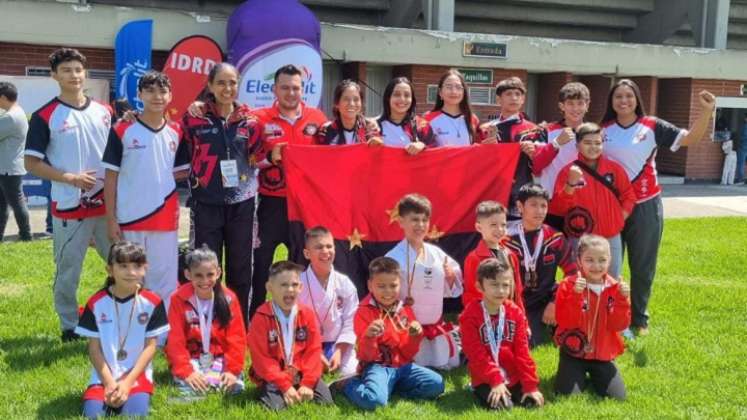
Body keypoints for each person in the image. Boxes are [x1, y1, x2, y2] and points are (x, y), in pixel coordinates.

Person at [600, 79, 715, 336]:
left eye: (629, 96)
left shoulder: (652, 126)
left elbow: (691, 139)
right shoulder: (603, 129)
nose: (624, 101)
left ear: (637, 99)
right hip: (611, 206)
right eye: (618, 96)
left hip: (645, 205)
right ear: (611, 101)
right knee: (608, 265)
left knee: (642, 265)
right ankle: (610, 316)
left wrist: (706, 111)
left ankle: (639, 319)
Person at [24, 48, 113, 342]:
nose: (73, 75)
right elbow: (31, 163)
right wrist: (70, 178)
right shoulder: (44, 115)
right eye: (66, 71)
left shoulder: (105, 111)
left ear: (85, 73)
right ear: (54, 76)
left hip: (108, 206)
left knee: (120, 261)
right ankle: (69, 325)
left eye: (77, 70)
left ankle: (115, 312)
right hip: (69, 205)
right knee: (68, 271)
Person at [182, 62, 262, 325]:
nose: (228, 89)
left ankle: (238, 323)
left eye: (232, 83)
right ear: (210, 86)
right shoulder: (193, 118)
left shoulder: (252, 121)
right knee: (206, 266)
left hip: (242, 202)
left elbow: (261, 154)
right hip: (206, 202)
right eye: (221, 83)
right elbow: (168, 135)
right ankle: (208, 319)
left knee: (241, 267)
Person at [102, 71, 191, 308]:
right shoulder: (122, 129)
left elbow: (181, 173)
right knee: (130, 279)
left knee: (164, 281)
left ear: (170, 95)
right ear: (139, 94)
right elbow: (110, 177)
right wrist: (111, 219)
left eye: (162, 91)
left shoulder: (178, 131)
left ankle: (160, 335)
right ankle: (132, 328)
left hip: (165, 219)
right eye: (150, 90)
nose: (157, 96)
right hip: (130, 217)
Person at [250, 64, 328, 318]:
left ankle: (301, 313)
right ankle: (257, 315)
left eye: (296, 88)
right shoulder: (259, 119)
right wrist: (270, 158)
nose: (290, 93)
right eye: (284, 87)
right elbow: (249, 160)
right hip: (270, 204)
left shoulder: (317, 118)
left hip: (305, 206)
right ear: (274, 89)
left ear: (303, 89)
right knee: (261, 262)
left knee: (301, 262)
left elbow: (333, 155)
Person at [74, 241, 169, 418]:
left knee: (135, 415)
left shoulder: (153, 302)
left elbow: (150, 347)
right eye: (123, 266)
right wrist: (109, 383)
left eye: (137, 266)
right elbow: (94, 349)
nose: (131, 272)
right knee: (93, 416)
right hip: (103, 376)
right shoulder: (96, 303)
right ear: (110, 269)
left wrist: (127, 383)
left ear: (145, 268)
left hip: (136, 375)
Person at [336, 256, 444, 410]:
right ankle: (348, 385)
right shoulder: (363, 312)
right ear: (370, 286)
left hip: (403, 366)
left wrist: (416, 336)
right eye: (381, 286)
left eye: (393, 286)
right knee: (375, 402)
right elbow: (366, 357)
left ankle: (392, 388)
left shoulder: (404, 309)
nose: (388, 292)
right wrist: (368, 336)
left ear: (400, 285)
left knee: (436, 384)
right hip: (377, 367)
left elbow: (408, 353)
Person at [385, 193, 462, 370]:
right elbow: (386, 296)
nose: (420, 225)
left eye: (424, 220)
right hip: (407, 325)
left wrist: (450, 277)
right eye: (414, 220)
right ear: (401, 222)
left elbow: (454, 281)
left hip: (434, 322)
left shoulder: (436, 253)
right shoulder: (392, 258)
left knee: (449, 363)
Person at [551, 122, 636, 278]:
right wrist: (570, 184)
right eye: (588, 143)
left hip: (611, 235)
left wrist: (620, 217)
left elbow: (629, 196)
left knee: (611, 279)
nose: (593, 147)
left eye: (598, 143)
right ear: (577, 145)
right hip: (580, 237)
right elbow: (558, 208)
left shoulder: (614, 169)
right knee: (579, 280)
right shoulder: (567, 172)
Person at [460, 257, 544, 410]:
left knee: (532, 404)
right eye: (494, 285)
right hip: (485, 377)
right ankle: (476, 388)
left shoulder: (515, 312)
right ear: (479, 286)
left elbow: (522, 351)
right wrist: (495, 380)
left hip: (513, 375)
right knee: (502, 407)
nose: (501, 291)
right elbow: (476, 355)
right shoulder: (469, 317)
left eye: (505, 285)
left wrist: (530, 385)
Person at [247, 261, 333, 410]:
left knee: (325, 403)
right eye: (283, 285)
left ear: (301, 287)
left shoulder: (307, 315)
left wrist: (308, 383)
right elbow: (262, 359)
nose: (290, 290)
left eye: (294, 285)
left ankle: (300, 388)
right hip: (273, 376)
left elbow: (313, 351)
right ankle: (270, 392)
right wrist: (285, 386)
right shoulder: (261, 317)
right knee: (276, 408)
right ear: (270, 287)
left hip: (301, 373)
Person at [554, 234, 631, 400]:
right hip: (574, 353)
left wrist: (622, 300)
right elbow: (566, 321)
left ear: (609, 260)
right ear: (579, 261)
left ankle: (595, 376)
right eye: (589, 260)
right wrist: (575, 295)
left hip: (602, 354)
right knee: (568, 396)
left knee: (618, 398)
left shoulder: (615, 288)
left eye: (602, 260)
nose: (596, 266)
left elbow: (618, 325)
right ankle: (574, 374)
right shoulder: (568, 285)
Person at [165, 245, 247, 398]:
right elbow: (175, 340)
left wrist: (232, 370)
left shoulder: (229, 298)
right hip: (192, 357)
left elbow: (237, 338)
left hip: (220, 357)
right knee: (190, 384)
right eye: (198, 275)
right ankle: (199, 382)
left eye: (210, 275)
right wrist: (186, 372)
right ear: (188, 274)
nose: (205, 281)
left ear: (218, 273)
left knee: (233, 387)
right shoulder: (178, 298)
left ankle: (215, 381)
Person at [505, 183, 576, 347]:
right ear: (520, 206)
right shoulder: (506, 239)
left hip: (547, 297)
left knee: (576, 329)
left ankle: (556, 322)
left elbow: (573, 272)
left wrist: (555, 301)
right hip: (517, 302)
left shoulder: (556, 238)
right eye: (533, 205)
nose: (539, 210)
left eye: (543, 205)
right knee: (523, 342)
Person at [478, 76, 544, 222]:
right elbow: (475, 164)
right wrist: (484, 150)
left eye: (517, 94)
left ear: (523, 99)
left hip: (521, 190)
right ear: (498, 99)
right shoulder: (484, 129)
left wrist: (533, 154)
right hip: (492, 189)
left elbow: (541, 166)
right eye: (508, 94)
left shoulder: (533, 130)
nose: (513, 98)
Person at [298, 226, 359, 376]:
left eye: (329, 246)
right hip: (305, 344)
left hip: (336, 344)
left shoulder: (344, 283)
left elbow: (351, 321)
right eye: (318, 247)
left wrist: (339, 352)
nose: (325, 251)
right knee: (299, 371)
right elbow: (292, 323)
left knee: (351, 372)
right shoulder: (298, 284)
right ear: (307, 253)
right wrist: (315, 353)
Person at [532, 82, 591, 230]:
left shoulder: (595, 133)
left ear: (587, 105)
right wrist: (556, 143)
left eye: (580, 103)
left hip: (584, 203)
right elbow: (536, 166)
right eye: (570, 103)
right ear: (561, 106)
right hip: (552, 203)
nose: (576, 108)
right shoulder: (546, 131)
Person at [462, 201, 524, 310]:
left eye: (503, 225)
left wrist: (522, 319)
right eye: (493, 225)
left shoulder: (510, 255)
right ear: (479, 227)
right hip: (487, 319)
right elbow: (472, 295)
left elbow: (517, 291)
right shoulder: (474, 258)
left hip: (511, 316)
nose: (500, 229)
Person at [0, 81, 31, 241]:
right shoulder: (15, 112)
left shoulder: (11, 117)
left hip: (8, 168)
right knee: (3, 204)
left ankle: (26, 236)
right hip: (7, 166)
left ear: (4, 97)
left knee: (16, 203)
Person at [314, 79, 381, 146]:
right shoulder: (325, 131)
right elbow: (320, 154)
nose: (351, 104)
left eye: (356, 99)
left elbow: (377, 153)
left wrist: (377, 143)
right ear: (337, 103)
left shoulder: (370, 128)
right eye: (346, 99)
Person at [375, 77, 434, 153]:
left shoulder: (422, 126)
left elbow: (436, 154)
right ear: (388, 97)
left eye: (407, 95)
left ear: (412, 99)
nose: (402, 99)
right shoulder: (375, 127)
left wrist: (423, 145)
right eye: (397, 95)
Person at [423, 69, 480, 146]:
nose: (454, 91)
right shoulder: (428, 119)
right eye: (449, 87)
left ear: (464, 92)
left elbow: (480, 149)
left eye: (458, 87)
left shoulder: (472, 119)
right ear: (440, 92)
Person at [737, 114, 747, 183]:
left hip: (743, 147)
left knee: (741, 163)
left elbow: (743, 137)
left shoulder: (745, 126)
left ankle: (740, 179)